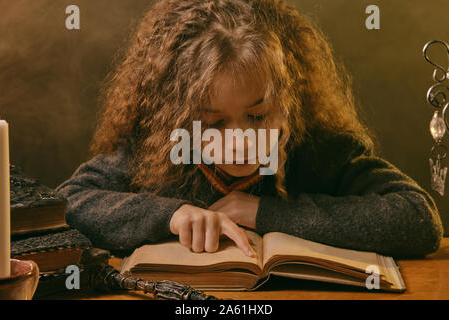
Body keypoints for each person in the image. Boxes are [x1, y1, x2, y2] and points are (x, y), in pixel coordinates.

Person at [55, 0, 443, 258]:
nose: (239, 142)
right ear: (176, 118)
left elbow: (418, 219)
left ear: (288, 104)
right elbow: (66, 204)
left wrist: (265, 212)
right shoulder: (158, 151)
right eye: (212, 123)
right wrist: (171, 215)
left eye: (257, 117)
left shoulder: (317, 150)